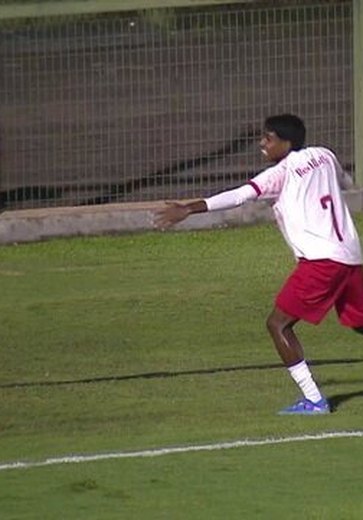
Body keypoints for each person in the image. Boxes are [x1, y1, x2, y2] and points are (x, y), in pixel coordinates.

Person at [154, 114, 363, 415]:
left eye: (268, 138)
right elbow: (340, 182)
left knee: (278, 324)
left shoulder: (279, 174)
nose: (261, 144)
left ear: (286, 143)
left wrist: (188, 208)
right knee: (358, 322)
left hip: (321, 261)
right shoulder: (325, 155)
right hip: (352, 256)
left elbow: (239, 196)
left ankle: (314, 400)